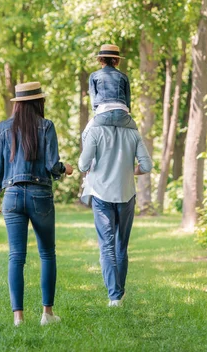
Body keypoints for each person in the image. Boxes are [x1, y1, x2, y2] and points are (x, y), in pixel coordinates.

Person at [0, 82, 73, 326]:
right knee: (47, 254)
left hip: (12, 195)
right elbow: (52, 165)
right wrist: (64, 169)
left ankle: (18, 318)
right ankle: (47, 314)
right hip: (40, 196)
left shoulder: (3, 128)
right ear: (38, 102)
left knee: (16, 256)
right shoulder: (46, 126)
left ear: (18, 104)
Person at [78, 111, 152, 307]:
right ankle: (119, 292)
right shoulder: (133, 133)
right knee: (121, 246)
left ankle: (115, 296)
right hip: (126, 194)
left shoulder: (94, 131)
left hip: (102, 195)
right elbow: (147, 165)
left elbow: (83, 164)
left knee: (107, 246)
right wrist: (130, 171)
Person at [83, 44, 137, 143]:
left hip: (103, 115)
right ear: (117, 61)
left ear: (101, 60)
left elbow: (93, 100)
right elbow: (128, 100)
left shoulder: (94, 76)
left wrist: (97, 113)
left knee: (85, 134)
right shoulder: (123, 76)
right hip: (121, 116)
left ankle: (88, 159)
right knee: (136, 135)